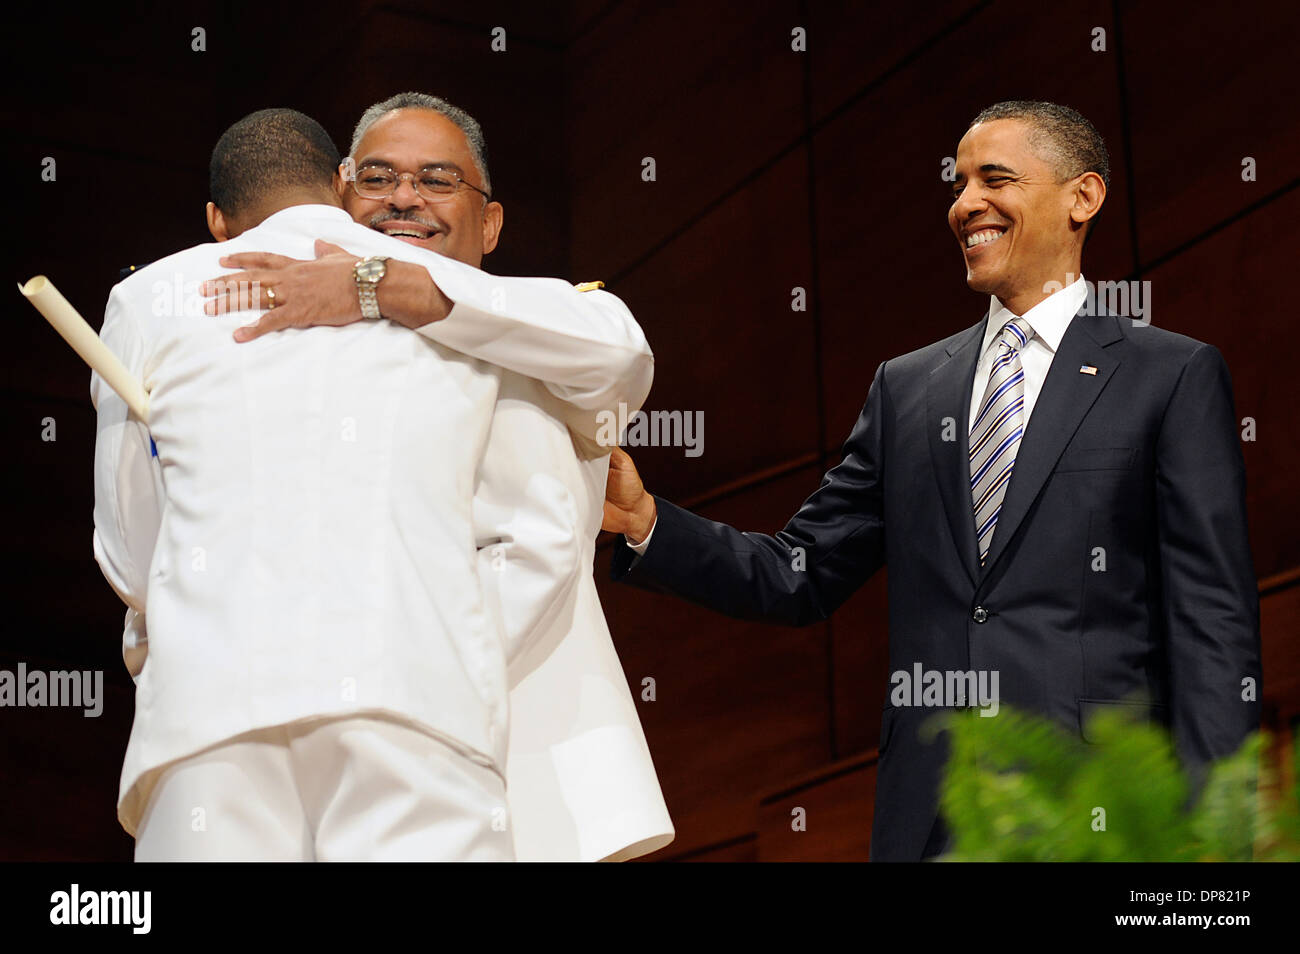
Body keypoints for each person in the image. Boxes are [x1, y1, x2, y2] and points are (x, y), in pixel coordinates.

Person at [600, 100, 1262, 861]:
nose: (966, 203)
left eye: (995, 179)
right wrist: (647, 520)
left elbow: (1213, 623)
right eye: (958, 184)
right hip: (932, 817)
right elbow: (798, 574)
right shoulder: (907, 388)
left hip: (1098, 809)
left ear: (1084, 197)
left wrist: (1222, 841)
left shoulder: (1170, 374)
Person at [93, 108, 653, 860]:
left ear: (491, 224)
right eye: (378, 177)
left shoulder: (507, 322)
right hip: (392, 705)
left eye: (436, 180)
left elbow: (541, 538)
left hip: (484, 719)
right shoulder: (256, 304)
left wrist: (383, 288)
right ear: (338, 188)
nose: (402, 198)